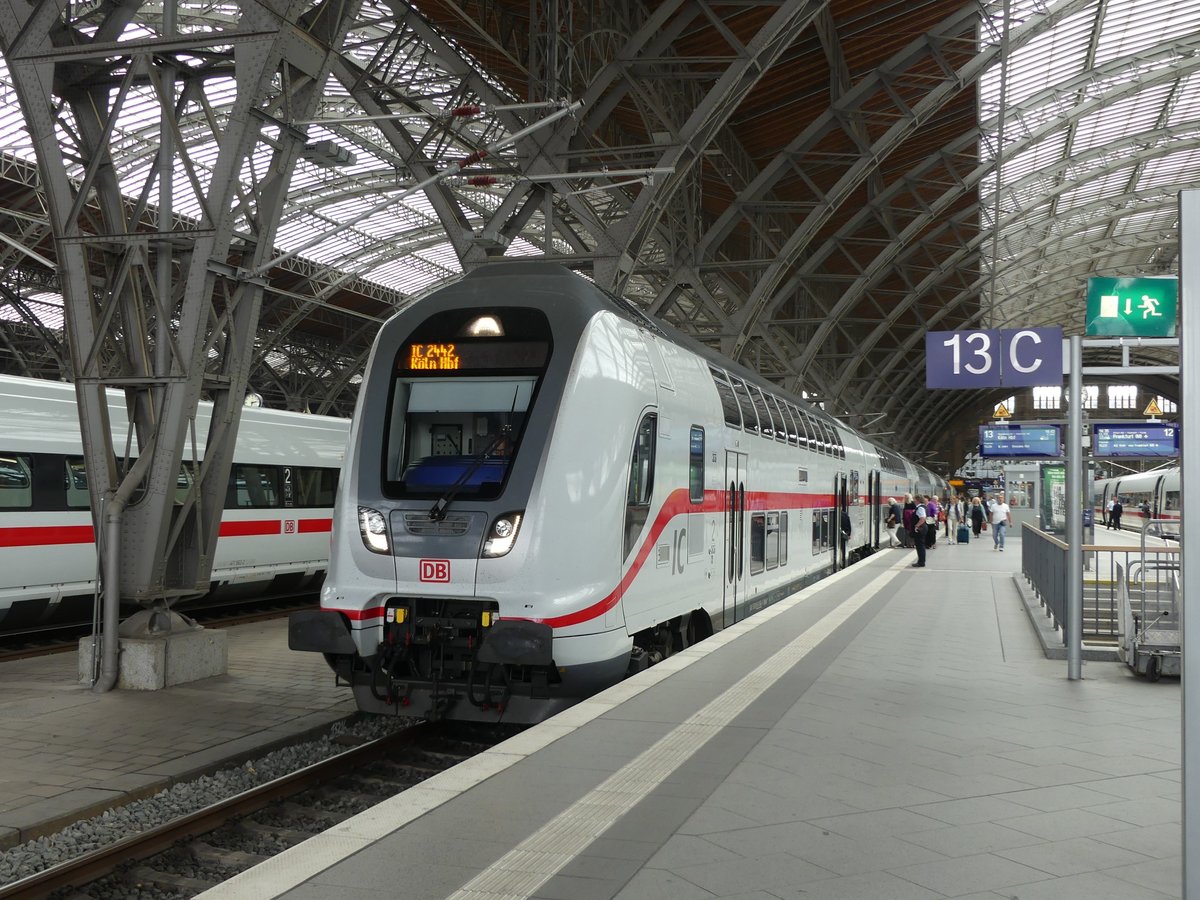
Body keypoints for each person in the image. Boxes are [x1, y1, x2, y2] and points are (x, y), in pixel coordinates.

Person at [910, 495, 928, 567]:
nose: (913, 501)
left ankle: (921, 562)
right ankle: (921, 561)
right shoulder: (922, 507)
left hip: (920, 529)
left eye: (914, 499)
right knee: (920, 545)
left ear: (917, 500)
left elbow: (922, 518)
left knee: (920, 546)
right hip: (922, 528)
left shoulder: (920, 508)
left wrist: (917, 525)